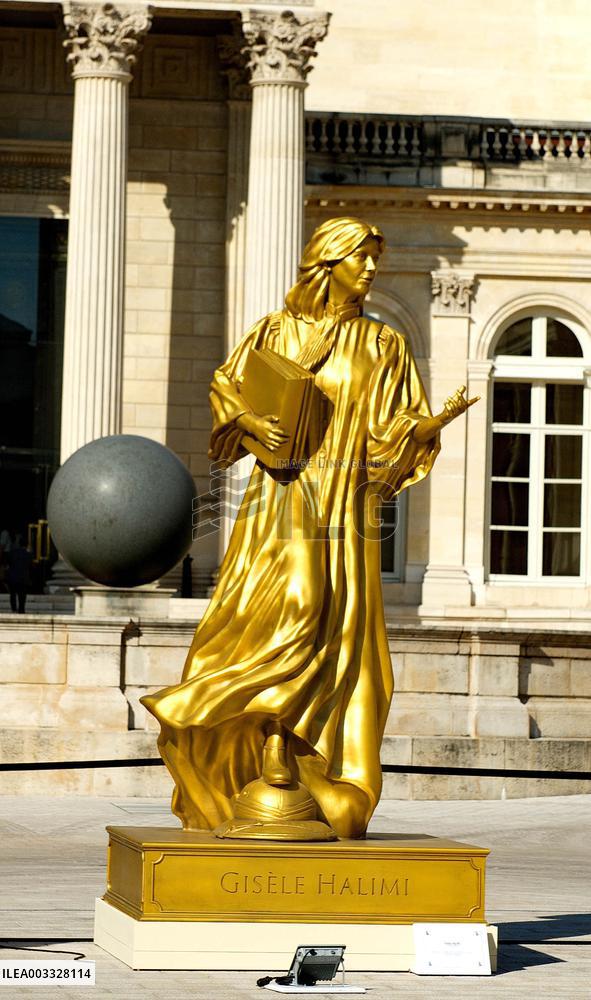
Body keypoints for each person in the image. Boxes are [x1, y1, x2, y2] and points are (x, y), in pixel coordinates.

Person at [141, 217, 476, 838]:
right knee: (294, 608)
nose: (371, 269)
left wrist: (430, 426)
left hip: (345, 507)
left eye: (376, 258)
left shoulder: (383, 345)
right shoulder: (276, 330)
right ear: (327, 262)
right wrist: (251, 423)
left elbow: (389, 438)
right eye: (360, 257)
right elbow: (226, 390)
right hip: (282, 499)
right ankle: (247, 725)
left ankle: (293, 756)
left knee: (338, 635)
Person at [7, 534, 33, 614]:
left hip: (13, 576)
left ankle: (14, 609)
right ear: (27, 545)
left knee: (13, 594)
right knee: (22, 595)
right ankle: (21, 609)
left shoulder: (12, 553)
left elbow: (9, 563)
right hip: (23, 578)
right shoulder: (28, 555)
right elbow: (30, 565)